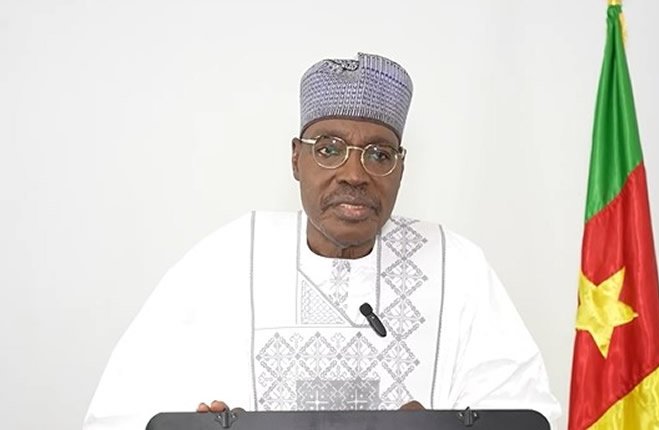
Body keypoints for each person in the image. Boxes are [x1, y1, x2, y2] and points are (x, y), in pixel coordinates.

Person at [83, 52, 560, 429]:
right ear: (296, 159)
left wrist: (441, 429)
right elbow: (119, 416)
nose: (354, 174)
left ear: (400, 168)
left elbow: (526, 414)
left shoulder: (457, 267)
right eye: (329, 149)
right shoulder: (223, 262)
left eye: (379, 154)